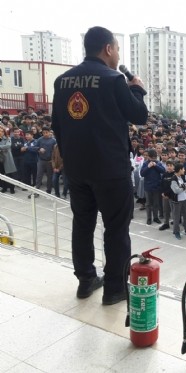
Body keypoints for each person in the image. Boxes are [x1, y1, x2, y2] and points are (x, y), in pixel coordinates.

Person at [52, 26, 148, 305]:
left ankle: (85, 280)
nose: (118, 54)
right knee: (116, 229)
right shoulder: (113, 79)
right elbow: (139, 115)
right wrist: (138, 90)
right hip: (111, 171)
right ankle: (115, 288)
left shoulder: (62, 81)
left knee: (82, 224)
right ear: (108, 48)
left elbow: (57, 125)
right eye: (117, 48)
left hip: (78, 170)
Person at [140, 149, 165, 226]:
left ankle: (155, 217)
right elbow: (142, 174)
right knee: (148, 204)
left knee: (156, 203)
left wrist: (155, 165)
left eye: (154, 158)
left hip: (157, 187)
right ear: (148, 157)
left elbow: (163, 170)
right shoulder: (145, 163)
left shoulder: (158, 163)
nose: (153, 159)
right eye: (151, 158)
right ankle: (149, 218)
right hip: (148, 187)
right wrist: (148, 167)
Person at [170, 162, 186, 240]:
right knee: (176, 217)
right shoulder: (173, 179)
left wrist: (182, 185)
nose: (184, 170)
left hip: (184, 199)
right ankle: (176, 232)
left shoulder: (184, 176)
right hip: (177, 201)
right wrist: (184, 187)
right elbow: (176, 190)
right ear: (180, 170)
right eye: (183, 169)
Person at [0, 126, 17, 193]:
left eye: (1, 131)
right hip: (0, 159)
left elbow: (8, 145)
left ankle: (12, 188)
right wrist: (3, 148)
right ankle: (4, 187)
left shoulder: (7, 138)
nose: (0, 132)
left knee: (10, 174)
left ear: (4, 132)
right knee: (2, 174)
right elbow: (4, 147)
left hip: (7, 158)